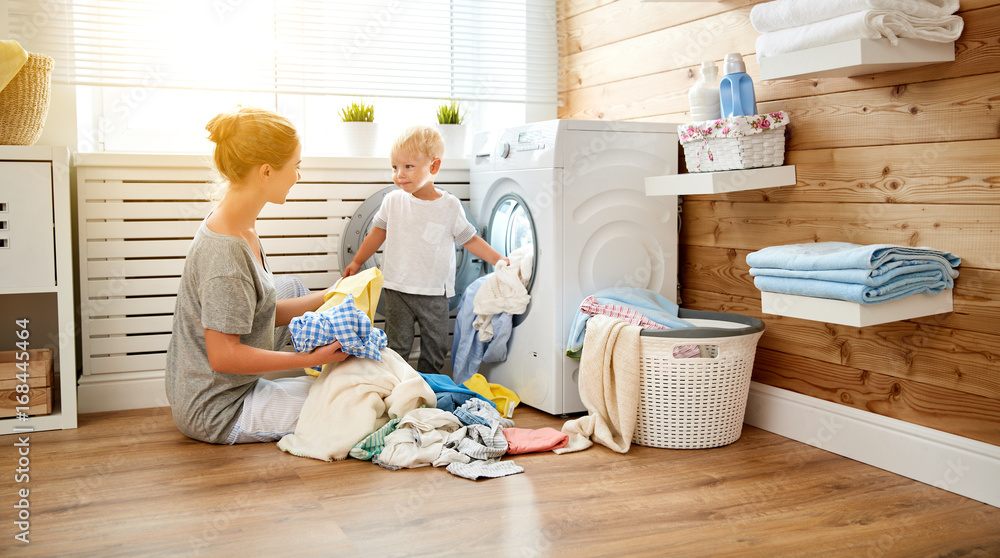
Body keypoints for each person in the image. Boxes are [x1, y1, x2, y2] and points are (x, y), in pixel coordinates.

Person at [166, 107, 348, 445]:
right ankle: (317, 373)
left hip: (214, 386)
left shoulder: (239, 222)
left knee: (290, 288)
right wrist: (307, 359)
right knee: (350, 402)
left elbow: (256, 311)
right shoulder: (226, 253)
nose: (297, 176)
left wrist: (334, 293)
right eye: (295, 166)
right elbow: (224, 355)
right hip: (218, 410)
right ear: (266, 172)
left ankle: (317, 371)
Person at [342, 125, 507, 375]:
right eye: (395, 167)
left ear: (434, 167)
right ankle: (397, 388)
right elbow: (376, 234)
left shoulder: (449, 206)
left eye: (408, 166)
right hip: (397, 289)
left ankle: (428, 390)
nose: (399, 174)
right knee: (397, 346)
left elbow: (470, 239)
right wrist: (357, 262)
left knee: (436, 347)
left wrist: (498, 260)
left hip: (434, 293)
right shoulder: (393, 201)